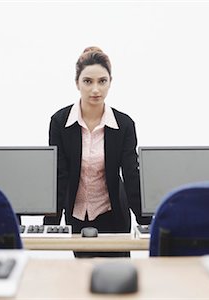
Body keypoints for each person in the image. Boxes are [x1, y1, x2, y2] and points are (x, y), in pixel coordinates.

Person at [43, 47, 151, 257]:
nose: (95, 89)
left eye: (102, 81)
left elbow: (131, 174)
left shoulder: (124, 124)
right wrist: (50, 224)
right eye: (88, 81)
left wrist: (146, 222)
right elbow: (58, 174)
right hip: (77, 217)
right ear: (77, 83)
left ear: (110, 81)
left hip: (114, 215)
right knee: (82, 280)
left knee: (119, 280)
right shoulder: (59, 122)